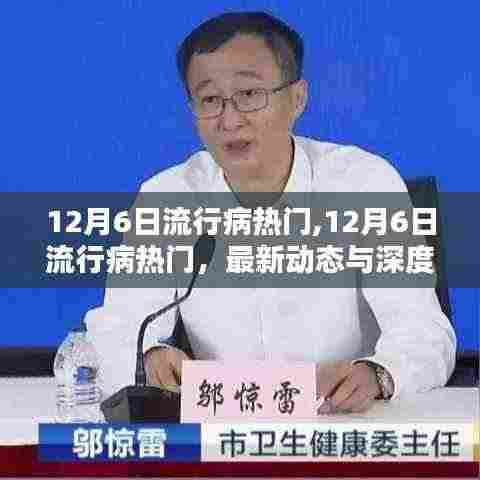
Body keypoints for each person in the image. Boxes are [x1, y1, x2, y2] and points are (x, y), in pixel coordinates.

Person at [85, 11, 456, 414]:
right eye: (210, 100)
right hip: (220, 426)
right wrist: (147, 357)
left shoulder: (363, 184)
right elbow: (117, 328)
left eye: (249, 94)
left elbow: (423, 331)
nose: (229, 120)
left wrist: (380, 373)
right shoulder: (169, 197)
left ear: (297, 99)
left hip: (343, 424)